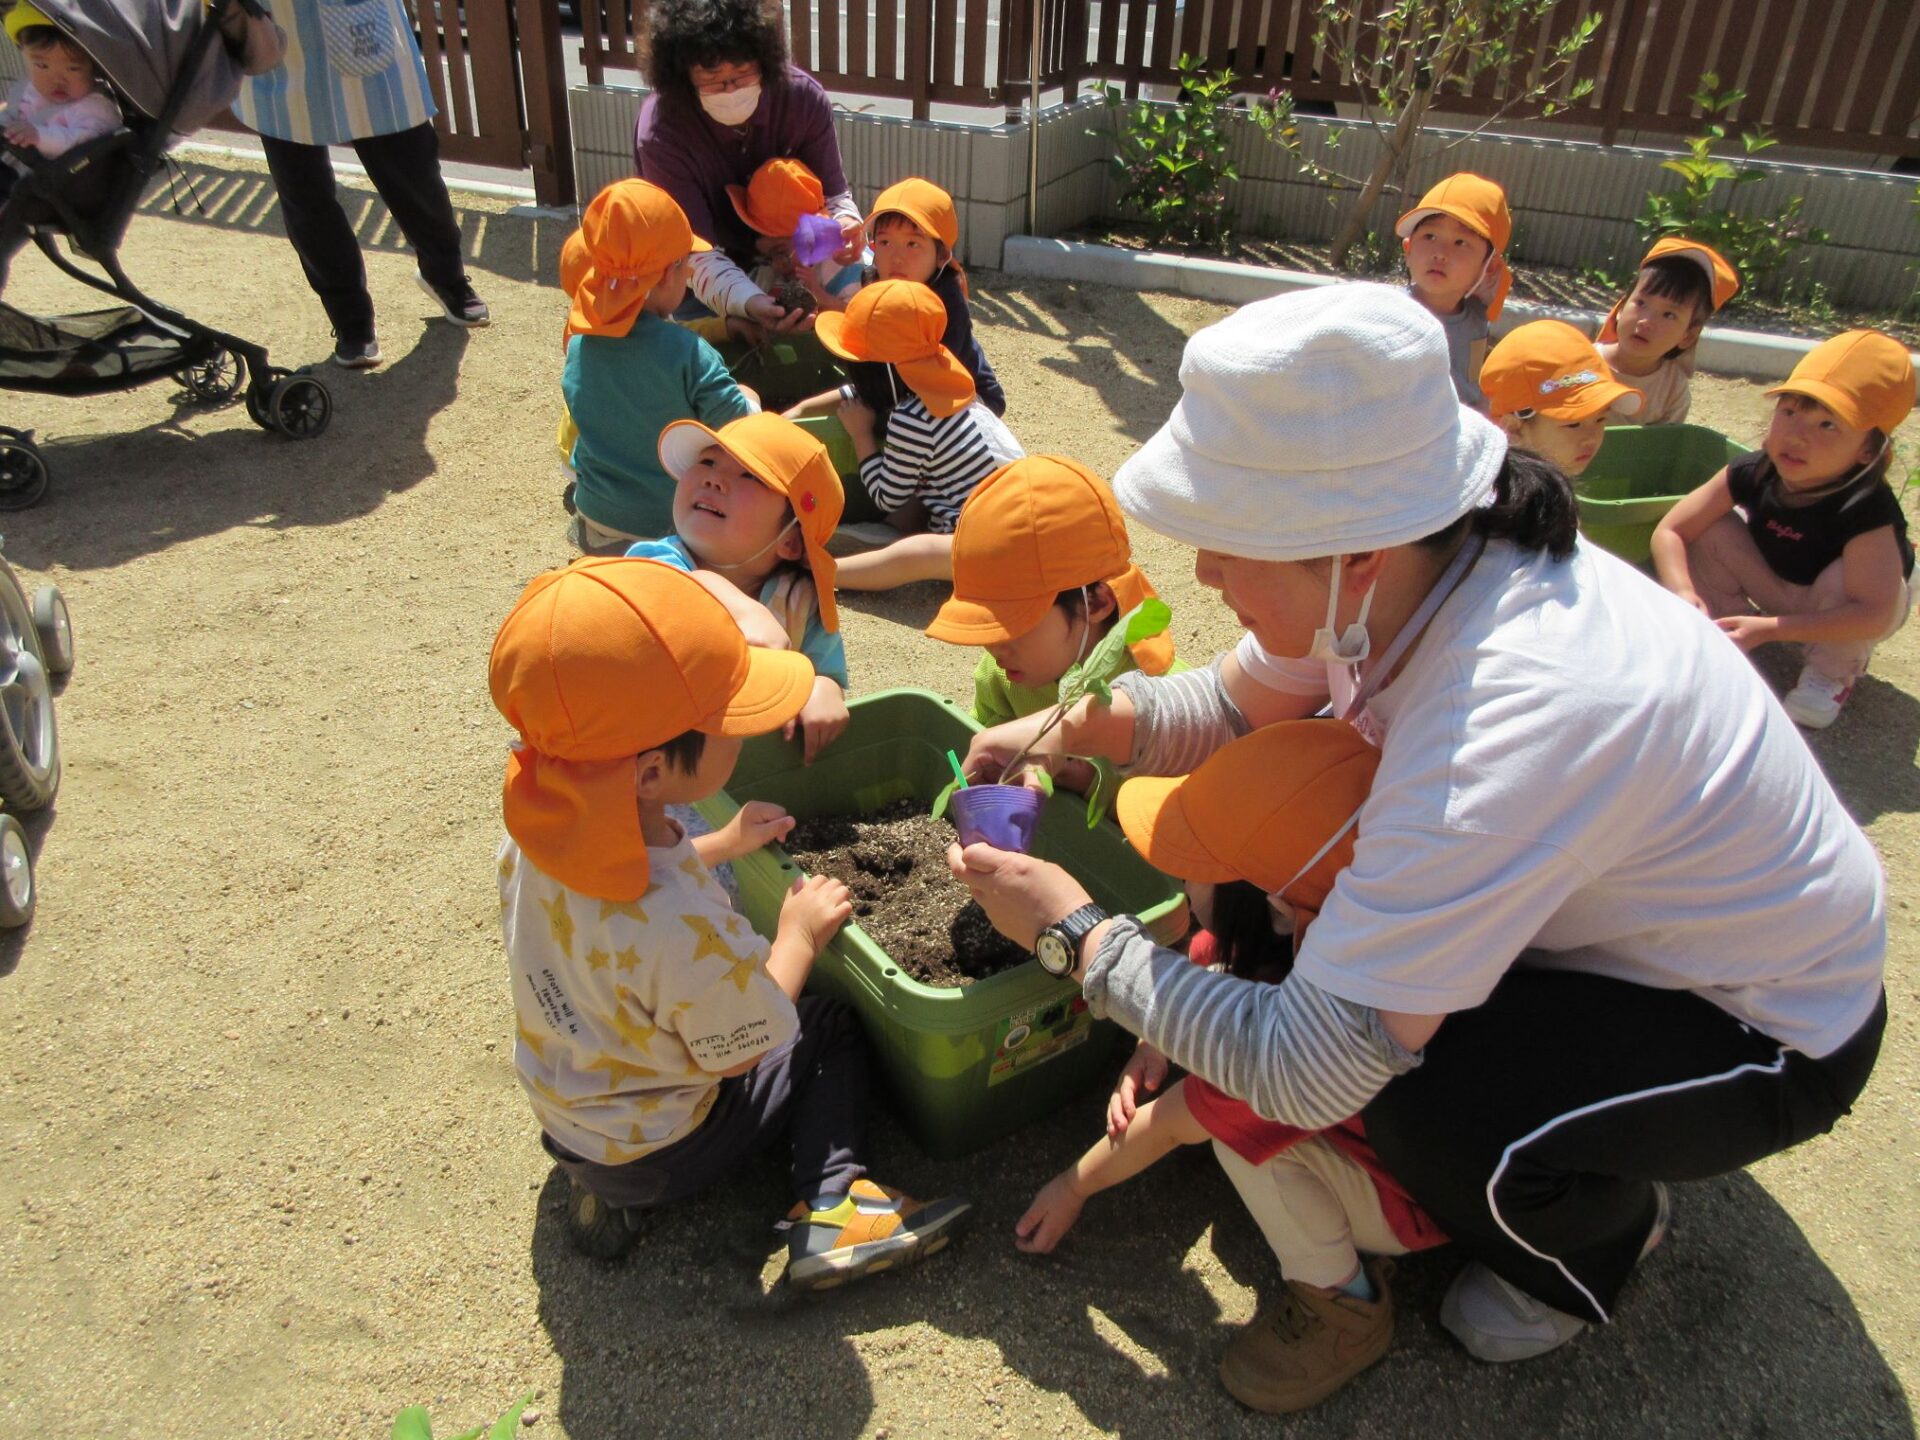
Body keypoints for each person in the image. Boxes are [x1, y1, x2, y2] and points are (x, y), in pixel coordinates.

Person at [946, 283, 1887, 1406]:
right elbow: (1234, 706)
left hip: (1761, 1019)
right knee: (1300, 925)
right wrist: (1070, 730)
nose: (1202, 576)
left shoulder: (1504, 717)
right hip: (1606, 921)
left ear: (1353, 551)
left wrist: (1077, 936)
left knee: (1423, 1100)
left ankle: (1592, 1243)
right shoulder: (1413, 566)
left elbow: (1317, 1063)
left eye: (1230, 544)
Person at [490, 556, 971, 1281]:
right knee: (826, 1028)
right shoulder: (680, 924)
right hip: (666, 1147)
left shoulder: (541, 835)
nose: (745, 730)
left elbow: (631, 888)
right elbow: (745, 1046)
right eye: (727, 720)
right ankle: (835, 1207)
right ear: (653, 771)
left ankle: (608, 1193)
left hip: (572, 1116)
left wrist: (723, 842)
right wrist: (797, 936)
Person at [1014, 722, 1452, 1414]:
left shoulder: (1292, 1034)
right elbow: (1200, 969)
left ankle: (1342, 1304)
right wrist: (1154, 1044)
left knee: (1235, 1143)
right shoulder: (1299, 933)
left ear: (1273, 901)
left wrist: (1073, 1187)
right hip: (1413, 1144)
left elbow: (1168, 1125)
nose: (1177, 875)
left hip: (1412, 1203)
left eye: (1197, 862)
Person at [1650, 329, 1916, 730]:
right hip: (1780, 581)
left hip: (1848, 606)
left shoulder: (1867, 507)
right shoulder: (1755, 470)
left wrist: (1771, 629)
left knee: (1848, 577)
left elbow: (1874, 614)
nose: (1797, 436)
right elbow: (1672, 530)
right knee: (1710, 528)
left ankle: (1829, 674)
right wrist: (1683, 592)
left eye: (1827, 425)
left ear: (1868, 450)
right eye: (1789, 412)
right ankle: (1726, 627)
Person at [235, 0, 488, 370]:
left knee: (414, 171)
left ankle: (445, 275)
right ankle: (350, 320)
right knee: (305, 195)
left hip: (364, 29)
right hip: (274, 36)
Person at [923, 455, 1177, 809]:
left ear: (1097, 601)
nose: (995, 648)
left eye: (1013, 625)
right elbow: (985, 733)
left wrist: (1092, 781)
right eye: (987, 625)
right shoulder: (1001, 674)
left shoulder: (1159, 694)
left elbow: (1173, 804)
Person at [628, 413, 852, 765]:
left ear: (790, 541)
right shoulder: (656, 559)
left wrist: (824, 689)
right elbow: (661, 587)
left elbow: (824, 669)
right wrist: (740, 606)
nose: (713, 479)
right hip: (650, 764)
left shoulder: (799, 599)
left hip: (744, 768)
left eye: (750, 475)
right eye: (708, 461)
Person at [633, 0, 862, 334]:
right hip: (698, 277)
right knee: (714, 339)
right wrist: (749, 303)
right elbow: (693, 254)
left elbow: (835, 197)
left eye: (742, 73)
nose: (731, 89)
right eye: (712, 78)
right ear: (682, 76)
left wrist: (847, 224)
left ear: (765, 60)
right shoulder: (662, 133)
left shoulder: (802, 99)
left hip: (801, 260)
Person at [561, 180, 757, 554]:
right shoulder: (689, 353)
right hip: (669, 525)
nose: (689, 274)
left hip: (597, 516)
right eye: (687, 264)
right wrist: (750, 398)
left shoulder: (580, 345)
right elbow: (738, 429)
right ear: (668, 274)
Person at [812, 279, 1023, 588]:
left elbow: (886, 496)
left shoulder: (911, 417)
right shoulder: (953, 385)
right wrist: (800, 409)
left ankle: (822, 573)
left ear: (882, 373)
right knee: (922, 490)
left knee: (915, 553)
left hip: (984, 543)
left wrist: (861, 436)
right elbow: (863, 390)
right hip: (1016, 522)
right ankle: (882, 537)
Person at [792, 178, 1005, 419]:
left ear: (942, 255)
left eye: (912, 244)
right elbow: (875, 374)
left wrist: (871, 429)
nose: (896, 257)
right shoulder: (873, 282)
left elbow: (935, 385)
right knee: (809, 410)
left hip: (962, 396)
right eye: (885, 242)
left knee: (892, 420)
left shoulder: (946, 300)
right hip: (895, 389)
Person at [1394, 173, 1511, 410]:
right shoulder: (1388, 313)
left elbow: (1471, 385)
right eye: (1430, 236)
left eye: (1461, 242)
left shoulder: (1477, 318)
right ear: (1408, 248)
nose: (1440, 253)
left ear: (1489, 267)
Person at [1596, 238, 1740, 426]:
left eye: (1669, 315)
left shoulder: (1673, 389)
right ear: (1620, 308)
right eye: (1641, 303)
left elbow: (1667, 442)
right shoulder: (1582, 361)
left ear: (1688, 335)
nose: (1646, 322)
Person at [1480, 320, 1644, 478]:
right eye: (1573, 424)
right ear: (1514, 429)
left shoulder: (1546, 480)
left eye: (1600, 419)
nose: (1591, 438)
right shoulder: (1501, 492)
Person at [0, 9, 121, 186]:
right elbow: (11, 116)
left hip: (50, 185)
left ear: (94, 66)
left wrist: (39, 136)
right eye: (42, 66)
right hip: (13, 166)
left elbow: (82, 144)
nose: (57, 80)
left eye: (73, 68)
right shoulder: (29, 89)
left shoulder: (96, 107)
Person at [726, 156, 863, 311]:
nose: (776, 265)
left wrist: (822, 298)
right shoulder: (768, 273)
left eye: (780, 253)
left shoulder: (844, 264)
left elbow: (860, 316)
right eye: (767, 258)